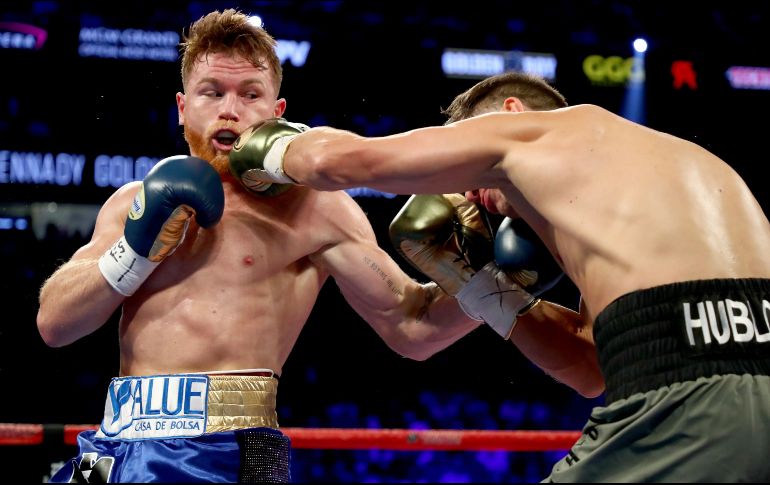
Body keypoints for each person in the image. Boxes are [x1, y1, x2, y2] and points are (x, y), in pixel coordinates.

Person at [35, 11, 582, 483]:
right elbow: (55, 324)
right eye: (212, 93)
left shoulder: (314, 208)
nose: (230, 110)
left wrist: (491, 279)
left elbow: (411, 325)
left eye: (250, 94)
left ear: (277, 112)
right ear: (182, 107)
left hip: (226, 450)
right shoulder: (132, 201)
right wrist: (133, 251)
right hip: (112, 444)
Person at [233, 70, 770, 482]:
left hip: (684, 411)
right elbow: (590, 370)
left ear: (510, 113)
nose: (467, 194)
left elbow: (343, 163)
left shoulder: (541, 132)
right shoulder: (672, 168)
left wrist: (269, 146)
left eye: (466, 168)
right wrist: (474, 282)